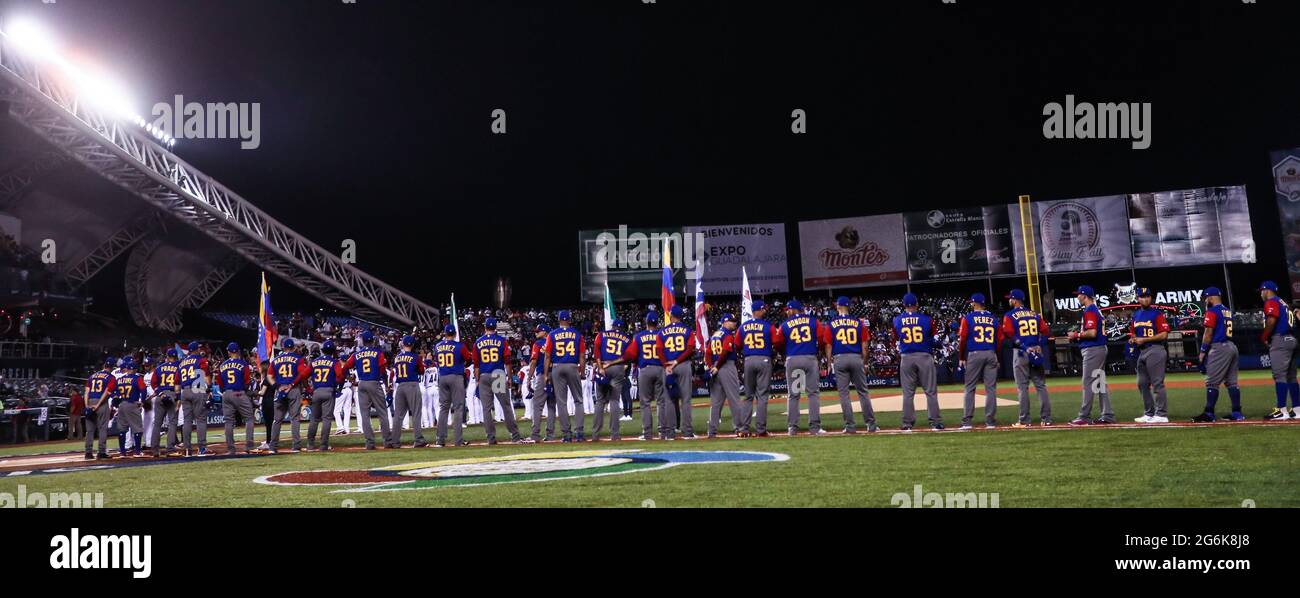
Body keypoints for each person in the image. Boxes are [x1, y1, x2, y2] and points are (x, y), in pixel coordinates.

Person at [776, 299, 828, 436]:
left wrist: (785, 352)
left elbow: (777, 342)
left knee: (793, 395)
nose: (787, 312)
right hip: (809, 358)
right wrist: (819, 351)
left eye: (788, 309)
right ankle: (815, 428)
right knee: (813, 394)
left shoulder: (784, 325)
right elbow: (822, 338)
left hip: (792, 359)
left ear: (793, 310)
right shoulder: (813, 321)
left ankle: (792, 428)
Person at [1000, 289, 1052, 427]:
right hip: (1036, 351)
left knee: (1022, 387)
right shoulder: (1035, 314)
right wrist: (1039, 344)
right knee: (1041, 386)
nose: (1009, 300)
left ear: (1015, 300)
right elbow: (1046, 332)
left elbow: (1009, 334)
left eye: (1010, 298)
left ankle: (1024, 420)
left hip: (1021, 353)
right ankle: (1046, 419)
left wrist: (1024, 347)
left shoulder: (1010, 315)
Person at [825, 296, 877, 433]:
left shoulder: (831, 323)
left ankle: (850, 426)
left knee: (844, 394)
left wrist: (829, 363)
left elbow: (829, 345)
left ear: (838, 307)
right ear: (849, 307)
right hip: (856, 358)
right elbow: (865, 346)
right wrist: (865, 363)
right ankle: (871, 425)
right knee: (863, 392)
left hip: (839, 359)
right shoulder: (859, 323)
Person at [893, 293, 944, 431]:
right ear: (917, 304)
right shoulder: (927, 319)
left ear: (904, 305)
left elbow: (896, 339)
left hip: (906, 357)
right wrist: (936, 344)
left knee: (908, 393)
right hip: (924, 356)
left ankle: (907, 423)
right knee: (930, 391)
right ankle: (935, 422)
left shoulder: (897, 320)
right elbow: (934, 340)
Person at [1193, 287, 1244, 422]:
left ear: (1210, 297)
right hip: (1232, 346)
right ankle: (1237, 412)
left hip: (1219, 347)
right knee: (1232, 382)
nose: (1205, 300)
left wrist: (1203, 350)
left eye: (1206, 298)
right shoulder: (1227, 310)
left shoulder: (1212, 311)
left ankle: (1209, 413)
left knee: (1212, 383)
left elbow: (1208, 333)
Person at [1068, 285, 1115, 425]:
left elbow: (1092, 333)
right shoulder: (1095, 310)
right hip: (1099, 348)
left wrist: (1076, 334)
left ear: (1084, 296)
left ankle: (1084, 416)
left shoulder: (1090, 310)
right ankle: (1107, 415)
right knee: (1100, 383)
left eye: (1078, 295)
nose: (1077, 297)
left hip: (1093, 349)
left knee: (1088, 382)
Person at [617, 312, 668, 440]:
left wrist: (636, 361)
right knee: (661, 401)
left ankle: (647, 433)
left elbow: (631, 355)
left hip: (645, 369)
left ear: (646, 322)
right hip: (660, 368)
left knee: (645, 403)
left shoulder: (639, 337)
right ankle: (663, 432)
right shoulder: (662, 335)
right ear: (657, 323)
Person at [342, 330, 394, 449]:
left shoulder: (356, 354)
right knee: (382, 413)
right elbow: (383, 371)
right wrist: (386, 385)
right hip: (374, 382)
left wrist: (350, 379)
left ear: (363, 341)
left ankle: (369, 443)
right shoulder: (378, 353)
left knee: (365, 415)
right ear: (373, 340)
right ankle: (387, 441)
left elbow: (345, 367)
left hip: (362, 384)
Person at [474, 319, 522, 444]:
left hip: (484, 375)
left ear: (485, 328)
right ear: (495, 328)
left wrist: (477, 380)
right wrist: (510, 377)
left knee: (486, 409)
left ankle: (490, 438)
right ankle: (515, 436)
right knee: (505, 406)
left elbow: (476, 365)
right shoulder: (501, 341)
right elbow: (507, 361)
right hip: (498, 374)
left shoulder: (478, 342)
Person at [958, 293, 1001, 430]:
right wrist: (997, 355)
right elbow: (999, 340)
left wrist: (961, 357)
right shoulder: (993, 318)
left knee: (970, 387)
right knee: (991, 389)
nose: (971, 304)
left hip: (975, 354)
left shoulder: (968, 318)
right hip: (990, 353)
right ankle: (990, 421)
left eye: (972, 302)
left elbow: (963, 338)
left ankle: (967, 422)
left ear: (975, 303)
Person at [543, 310, 586, 442]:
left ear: (559, 320)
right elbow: (582, 355)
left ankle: (567, 435)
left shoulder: (552, 334)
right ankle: (579, 433)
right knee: (578, 400)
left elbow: (548, 356)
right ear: (569, 320)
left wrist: (545, 374)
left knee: (561, 403)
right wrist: (582, 371)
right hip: (573, 366)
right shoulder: (577, 334)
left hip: (557, 366)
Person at [1129, 287, 1171, 424]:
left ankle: (1162, 414)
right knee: (1141, 383)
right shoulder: (1135, 315)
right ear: (1138, 298)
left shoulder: (1157, 314)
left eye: (1148, 296)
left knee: (1157, 383)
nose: (1146, 298)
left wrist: (1144, 339)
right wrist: (1133, 338)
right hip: (1142, 351)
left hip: (1155, 349)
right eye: (1142, 296)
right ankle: (1149, 413)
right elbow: (1133, 332)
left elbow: (1164, 334)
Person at [1259, 281, 1298, 420]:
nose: (1261, 293)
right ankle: (1297, 409)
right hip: (1292, 339)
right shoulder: (1284, 302)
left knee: (1279, 376)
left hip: (1280, 339)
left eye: (1261, 291)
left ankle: (1282, 410)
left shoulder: (1271, 301)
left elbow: (1271, 320)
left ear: (1267, 290)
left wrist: (1264, 337)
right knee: (1291, 377)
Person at [739, 300, 775, 437]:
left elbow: (737, 343)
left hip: (748, 360)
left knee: (748, 396)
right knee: (762, 396)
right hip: (763, 359)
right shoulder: (768, 326)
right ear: (757, 311)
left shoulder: (743, 327)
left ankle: (744, 429)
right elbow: (776, 341)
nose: (764, 311)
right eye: (763, 309)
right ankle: (761, 430)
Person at [591, 318, 632, 441]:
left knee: (600, 401)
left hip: (603, 365)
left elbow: (596, 351)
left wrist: (600, 367)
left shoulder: (601, 334)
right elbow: (628, 356)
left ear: (613, 326)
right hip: (617, 368)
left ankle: (595, 434)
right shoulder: (627, 338)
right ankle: (615, 434)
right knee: (614, 400)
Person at [434, 324, 474, 447]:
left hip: (443, 377)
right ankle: (458, 440)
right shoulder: (459, 346)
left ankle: (440, 440)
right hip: (456, 376)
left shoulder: (438, 346)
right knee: (458, 408)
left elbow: (437, 360)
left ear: (445, 333)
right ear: (455, 334)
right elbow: (469, 359)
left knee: (443, 408)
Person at [660, 305, 697, 438]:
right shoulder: (687, 330)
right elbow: (691, 348)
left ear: (671, 315)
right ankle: (687, 431)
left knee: (669, 400)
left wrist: (667, 365)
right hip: (683, 364)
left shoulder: (662, 331)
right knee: (685, 400)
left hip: (668, 366)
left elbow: (659, 350)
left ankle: (670, 433)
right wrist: (677, 361)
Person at [268, 339, 310, 453]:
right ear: (293, 348)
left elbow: (269, 376)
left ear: (283, 347)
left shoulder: (276, 359)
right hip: (293, 389)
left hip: (280, 389)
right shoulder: (298, 359)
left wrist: (277, 386)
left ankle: (273, 447)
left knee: (277, 420)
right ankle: (296, 446)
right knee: (295, 418)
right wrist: (292, 384)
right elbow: (302, 374)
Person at [705, 313, 744, 437]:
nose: (734, 323)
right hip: (725, 365)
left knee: (716, 402)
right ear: (725, 322)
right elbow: (726, 351)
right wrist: (717, 366)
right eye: (732, 321)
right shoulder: (727, 334)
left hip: (716, 368)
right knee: (734, 398)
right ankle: (739, 428)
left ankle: (712, 430)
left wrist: (711, 366)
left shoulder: (715, 335)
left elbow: (708, 353)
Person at [217, 342, 257, 454]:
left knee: (228, 422)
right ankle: (249, 445)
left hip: (226, 393)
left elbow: (219, 383)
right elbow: (247, 381)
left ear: (229, 352)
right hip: (239, 392)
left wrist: (225, 391)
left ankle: (231, 449)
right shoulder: (243, 364)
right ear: (238, 351)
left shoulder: (222, 365)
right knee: (249, 418)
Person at [307, 340, 344, 450]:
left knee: (314, 419)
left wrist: (308, 389)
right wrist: (335, 385)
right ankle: (323, 445)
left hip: (317, 391)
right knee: (327, 419)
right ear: (333, 351)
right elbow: (340, 376)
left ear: (323, 351)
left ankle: (310, 444)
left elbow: (303, 375)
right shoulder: (334, 362)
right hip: (328, 391)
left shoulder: (314, 361)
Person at [177, 342, 211, 456]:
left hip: (184, 391)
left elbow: (177, 383)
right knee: (201, 419)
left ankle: (187, 449)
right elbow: (206, 377)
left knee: (187, 421)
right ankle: (201, 448)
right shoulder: (200, 359)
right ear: (196, 350)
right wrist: (208, 388)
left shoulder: (182, 363)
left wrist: (178, 396)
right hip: (197, 388)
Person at [148, 349, 182, 456]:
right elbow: (181, 382)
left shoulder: (159, 367)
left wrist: (160, 393)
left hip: (161, 395)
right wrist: (178, 398)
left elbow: (153, 383)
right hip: (172, 394)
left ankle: (154, 450)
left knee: (157, 423)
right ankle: (170, 449)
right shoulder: (179, 366)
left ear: (167, 356)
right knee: (172, 423)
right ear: (176, 357)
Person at [83, 357, 117, 460]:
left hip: (89, 401)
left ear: (104, 365)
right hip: (101, 403)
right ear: (112, 367)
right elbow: (106, 392)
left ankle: (88, 452)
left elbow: (86, 392)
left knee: (89, 430)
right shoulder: (111, 377)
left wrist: (87, 406)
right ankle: (101, 452)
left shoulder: (92, 376)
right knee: (102, 428)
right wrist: (97, 405)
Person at [527, 324, 557, 442]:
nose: (536, 333)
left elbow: (534, 361)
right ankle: (550, 435)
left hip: (543, 375)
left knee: (537, 404)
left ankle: (535, 435)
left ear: (545, 332)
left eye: (538, 331)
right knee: (551, 405)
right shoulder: (554, 342)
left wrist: (529, 377)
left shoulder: (538, 344)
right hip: (555, 374)